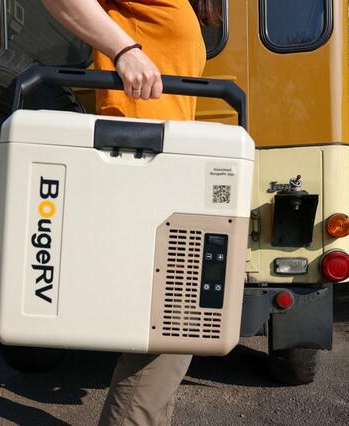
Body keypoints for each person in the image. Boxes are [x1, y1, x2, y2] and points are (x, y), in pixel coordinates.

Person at [41, 1, 222, 424]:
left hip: (167, 171)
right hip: (140, 167)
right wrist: (124, 51)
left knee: (170, 326)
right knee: (176, 324)